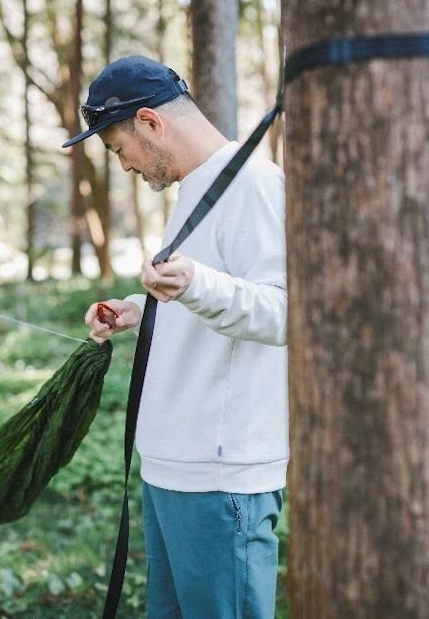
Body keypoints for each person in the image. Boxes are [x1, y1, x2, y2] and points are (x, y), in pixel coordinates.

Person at [64, 55, 288, 619]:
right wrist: (138, 308)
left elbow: (286, 313)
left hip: (220, 476)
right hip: (169, 466)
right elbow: (206, 292)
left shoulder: (254, 184)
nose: (123, 167)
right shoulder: (198, 188)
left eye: (118, 149)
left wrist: (194, 284)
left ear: (149, 122)